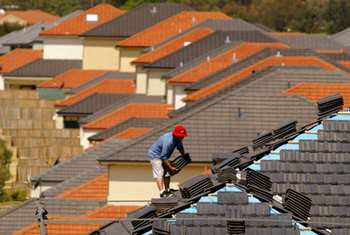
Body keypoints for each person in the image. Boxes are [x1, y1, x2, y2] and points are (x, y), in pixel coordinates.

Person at [148, 125, 188, 197]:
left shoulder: (178, 139)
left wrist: (184, 156)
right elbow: (163, 156)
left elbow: (180, 148)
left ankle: (167, 190)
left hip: (163, 156)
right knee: (160, 172)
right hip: (155, 155)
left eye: (183, 136)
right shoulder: (168, 141)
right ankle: (162, 192)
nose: (182, 137)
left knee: (167, 173)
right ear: (176, 135)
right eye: (181, 136)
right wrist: (171, 167)